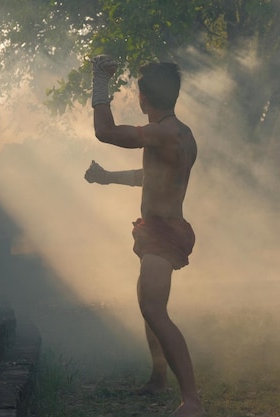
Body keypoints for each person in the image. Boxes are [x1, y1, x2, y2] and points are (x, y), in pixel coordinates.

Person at [84, 55, 205, 417]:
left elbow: (105, 132)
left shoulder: (164, 132)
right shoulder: (180, 134)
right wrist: (107, 178)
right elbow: (152, 176)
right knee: (147, 305)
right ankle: (158, 376)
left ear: (142, 98)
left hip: (164, 234)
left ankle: (192, 401)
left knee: (154, 308)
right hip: (162, 228)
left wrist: (99, 80)